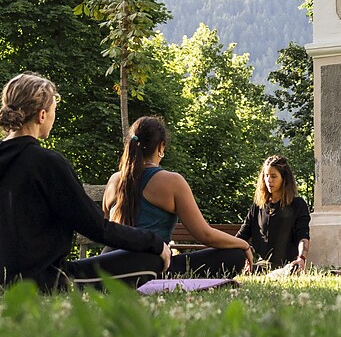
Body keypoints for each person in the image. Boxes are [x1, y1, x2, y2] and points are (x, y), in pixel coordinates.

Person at [0, 73, 172, 292]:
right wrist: (154, 242)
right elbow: (97, 228)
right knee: (150, 258)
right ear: (42, 115)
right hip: (39, 282)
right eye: (54, 111)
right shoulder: (46, 163)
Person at [104, 116, 253, 279]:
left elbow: (105, 228)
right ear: (161, 147)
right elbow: (204, 235)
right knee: (235, 255)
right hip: (148, 269)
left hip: (108, 266)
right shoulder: (172, 181)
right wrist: (243, 244)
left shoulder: (114, 180)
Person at [238, 154, 310, 273]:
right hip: (261, 266)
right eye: (266, 176)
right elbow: (242, 236)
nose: (269, 180)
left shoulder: (297, 205)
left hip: (287, 266)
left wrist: (301, 258)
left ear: (284, 178)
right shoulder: (258, 206)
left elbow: (303, 236)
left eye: (273, 176)